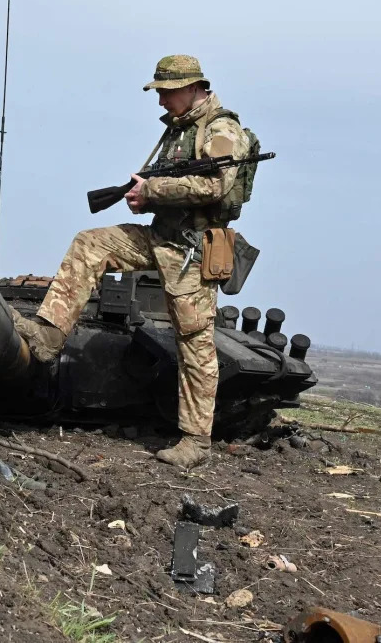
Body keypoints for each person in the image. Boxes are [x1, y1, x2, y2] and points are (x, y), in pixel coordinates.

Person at [13, 54, 252, 469]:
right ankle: (49, 338)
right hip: (159, 237)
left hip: (191, 252)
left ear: (192, 87)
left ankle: (195, 441)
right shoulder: (178, 131)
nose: (160, 101)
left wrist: (155, 190)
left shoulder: (221, 128)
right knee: (91, 243)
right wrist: (144, 196)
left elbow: (216, 183)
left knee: (194, 342)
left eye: (165, 92)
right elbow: (168, 188)